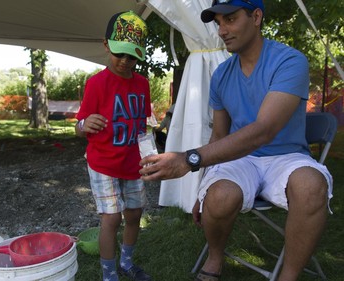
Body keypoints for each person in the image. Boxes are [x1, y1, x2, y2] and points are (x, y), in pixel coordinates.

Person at [139, 1, 333, 280]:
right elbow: (219, 135)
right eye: (218, 23)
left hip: (287, 157)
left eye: (230, 19)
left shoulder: (290, 61)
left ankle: (287, 277)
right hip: (241, 159)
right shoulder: (221, 75)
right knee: (218, 197)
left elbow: (263, 130)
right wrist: (202, 187)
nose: (222, 30)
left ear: (256, 17)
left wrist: (188, 159)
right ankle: (215, 258)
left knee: (312, 185)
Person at [75, 10, 152, 281]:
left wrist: (149, 153)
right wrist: (85, 124)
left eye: (131, 55)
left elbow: (142, 126)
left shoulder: (142, 84)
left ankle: (127, 263)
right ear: (106, 44)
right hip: (103, 164)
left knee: (134, 215)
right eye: (119, 53)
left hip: (133, 164)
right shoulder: (96, 84)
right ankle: (109, 275)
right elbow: (79, 126)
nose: (125, 61)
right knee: (111, 219)